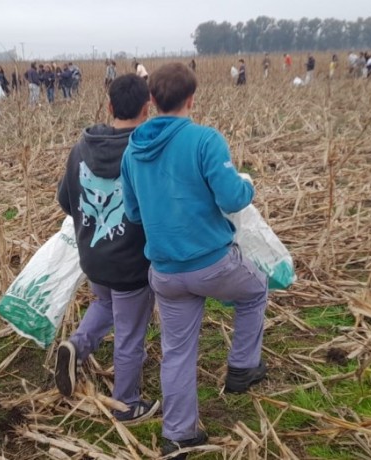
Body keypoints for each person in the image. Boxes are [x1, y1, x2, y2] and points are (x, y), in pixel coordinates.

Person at [121, 63, 268, 459]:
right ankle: (242, 367)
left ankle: (179, 433)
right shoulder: (206, 141)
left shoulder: (133, 150)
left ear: (151, 100)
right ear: (191, 98)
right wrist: (247, 183)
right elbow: (232, 199)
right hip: (212, 266)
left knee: (177, 351)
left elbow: (133, 214)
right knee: (255, 290)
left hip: (165, 274)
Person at [55, 73, 158, 425]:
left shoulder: (81, 148)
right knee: (130, 333)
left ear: (109, 106)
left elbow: (66, 201)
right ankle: (126, 404)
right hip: (131, 263)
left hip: (93, 257)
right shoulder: (146, 151)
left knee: (104, 302)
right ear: (148, 108)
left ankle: (77, 346)